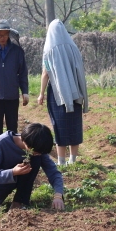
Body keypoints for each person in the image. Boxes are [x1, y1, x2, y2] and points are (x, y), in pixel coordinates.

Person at [0, 123, 65, 218]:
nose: (38, 154)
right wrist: (12, 172)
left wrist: (58, 195)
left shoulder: (37, 150)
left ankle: (17, 203)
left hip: (6, 176)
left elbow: (53, 172)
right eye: (36, 152)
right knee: (10, 174)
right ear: (26, 142)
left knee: (35, 161)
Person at [37, 19, 88, 165]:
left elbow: (45, 73)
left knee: (60, 125)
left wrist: (41, 93)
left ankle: (61, 161)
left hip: (58, 93)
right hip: (76, 92)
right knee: (74, 124)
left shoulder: (49, 50)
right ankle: (73, 159)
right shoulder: (73, 48)